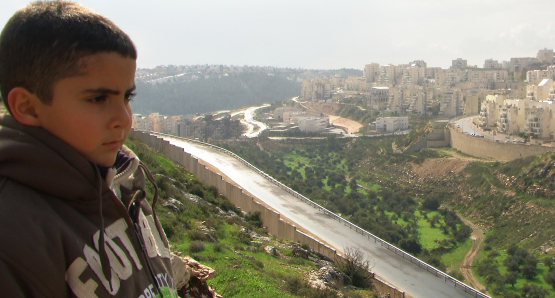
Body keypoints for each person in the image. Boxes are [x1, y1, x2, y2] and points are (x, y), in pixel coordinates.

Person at [0, 1, 178, 297]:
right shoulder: (14, 234)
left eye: (127, 96)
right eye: (98, 99)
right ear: (28, 107)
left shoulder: (124, 180)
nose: (124, 118)